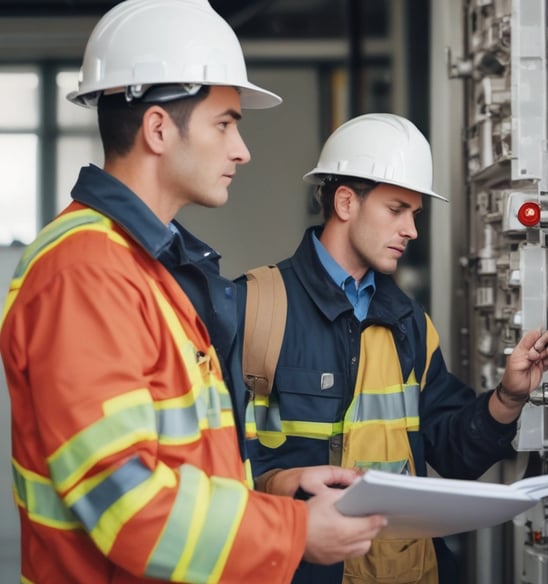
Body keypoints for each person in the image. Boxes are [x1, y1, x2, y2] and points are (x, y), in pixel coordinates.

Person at [0, 1, 385, 582]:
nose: (241, 150)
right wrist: (296, 531)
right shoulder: (86, 272)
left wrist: (273, 487)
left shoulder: (149, 267)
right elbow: (126, 506)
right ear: (158, 128)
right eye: (225, 123)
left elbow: (180, 466)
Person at [236, 113, 548, 584]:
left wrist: (507, 399)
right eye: (396, 210)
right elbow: (207, 459)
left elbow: (449, 452)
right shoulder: (254, 309)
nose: (412, 230)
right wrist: (276, 483)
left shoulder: (409, 322)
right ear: (346, 202)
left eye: (415, 214)